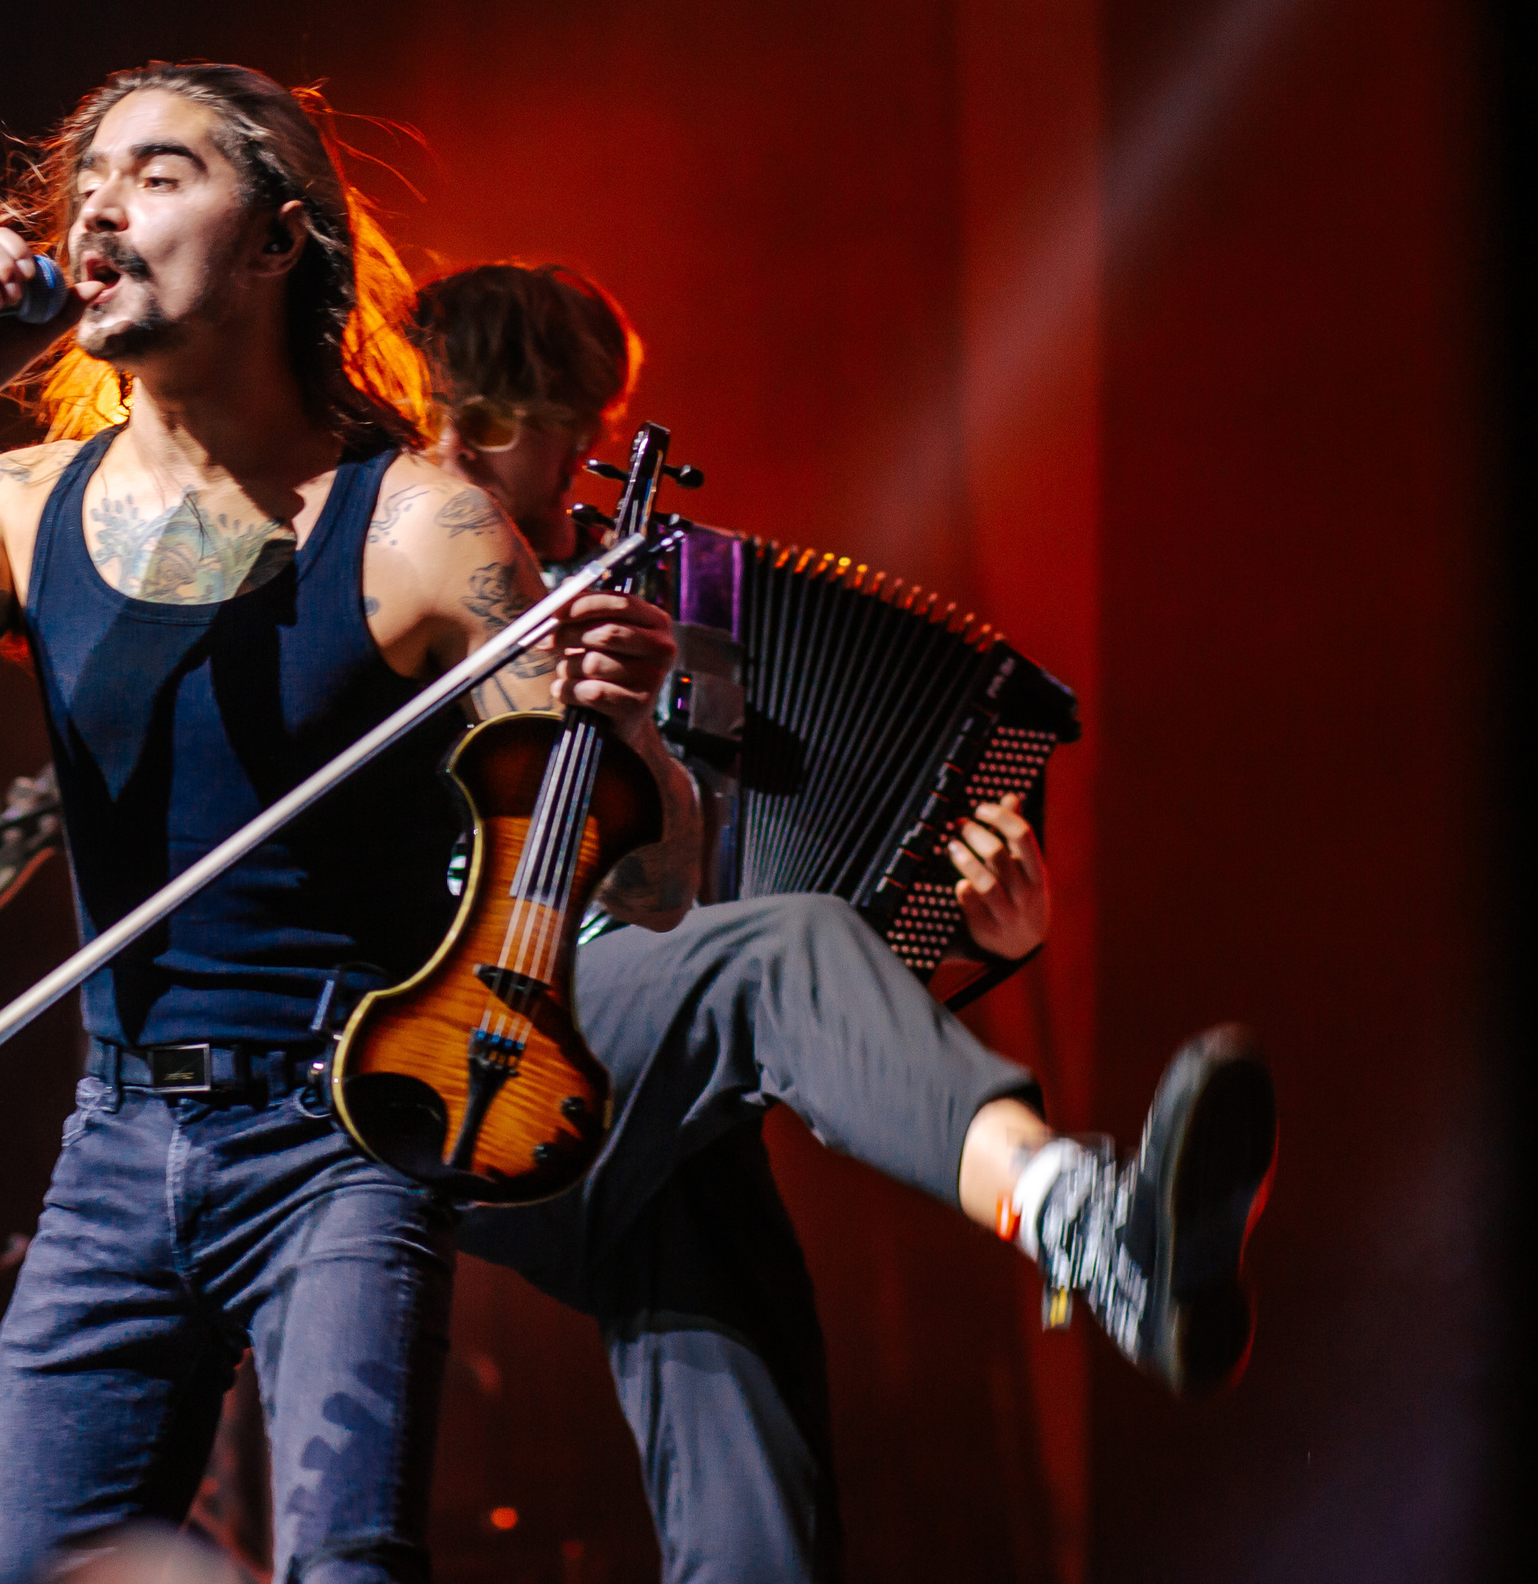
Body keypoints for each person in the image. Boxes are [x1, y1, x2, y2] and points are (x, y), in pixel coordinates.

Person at [0, 61, 710, 1584]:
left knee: (344, 1564)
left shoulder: (420, 523)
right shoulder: (23, 501)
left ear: (277, 238)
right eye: (87, 184)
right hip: (114, 1134)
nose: (97, 212)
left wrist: (632, 724)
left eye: (157, 175)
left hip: (339, 1132)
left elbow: (648, 884)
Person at [410, 262, 1279, 1580]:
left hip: (627, 1070)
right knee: (788, 949)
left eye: (508, 422)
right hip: (440, 1047)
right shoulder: (401, 573)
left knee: (753, 1424)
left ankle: (1095, 1248)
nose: (456, 452)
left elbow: (745, 964)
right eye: (434, 415)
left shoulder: (654, 606)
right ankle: (1086, 1223)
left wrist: (973, 935)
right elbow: (760, 954)